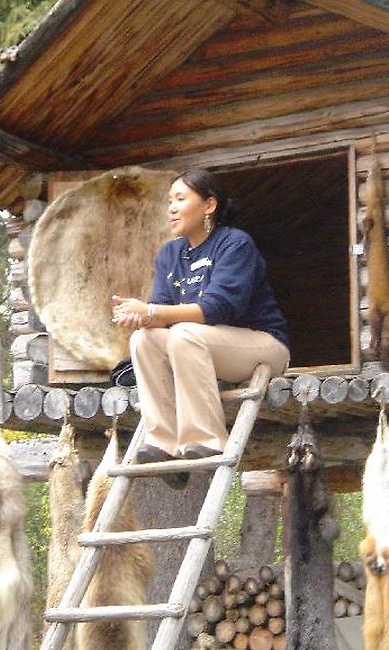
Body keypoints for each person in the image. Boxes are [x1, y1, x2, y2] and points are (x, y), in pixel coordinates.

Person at [111, 168, 289, 488]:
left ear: (209, 205)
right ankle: (164, 443)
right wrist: (141, 317)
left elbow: (218, 308)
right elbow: (162, 316)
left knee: (184, 333)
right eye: (169, 201)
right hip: (200, 344)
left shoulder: (234, 244)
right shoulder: (170, 254)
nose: (172, 209)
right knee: (144, 340)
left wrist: (150, 310)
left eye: (181, 199)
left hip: (264, 347)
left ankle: (206, 439)